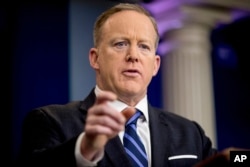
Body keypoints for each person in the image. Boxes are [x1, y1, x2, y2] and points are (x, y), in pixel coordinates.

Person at [16, 3, 220, 167]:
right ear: (95, 59)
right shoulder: (51, 121)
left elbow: (230, 160)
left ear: (155, 64)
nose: (133, 56)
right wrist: (84, 150)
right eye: (120, 44)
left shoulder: (189, 132)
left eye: (143, 46)